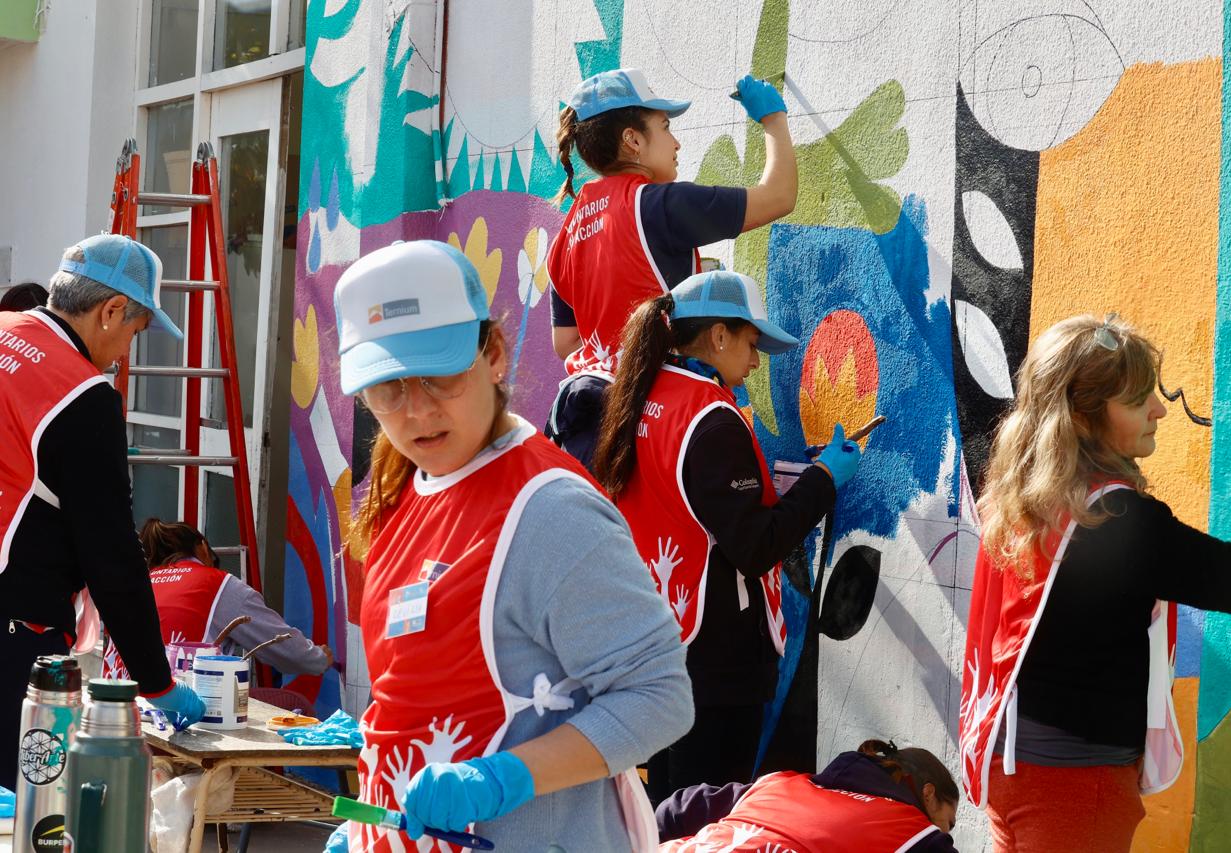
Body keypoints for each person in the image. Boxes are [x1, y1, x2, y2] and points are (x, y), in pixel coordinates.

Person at [322, 240, 693, 853]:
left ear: (492, 353)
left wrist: (502, 779)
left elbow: (659, 697)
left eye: (439, 374)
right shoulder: (408, 489)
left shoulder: (550, 510)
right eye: (388, 386)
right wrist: (367, 822)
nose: (416, 411)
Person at [959, 313, 1231, 853]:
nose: (1159, 409)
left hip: (1013, 766)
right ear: (1083, 419)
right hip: (1075, 787)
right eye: (1136, 401)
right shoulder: (1117, 519)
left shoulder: (1029, 497)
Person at [593, 270, 864, 805]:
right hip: (717, 663)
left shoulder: (647, 394)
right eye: (751, 342)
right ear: (718, 336)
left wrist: (784, 485)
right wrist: (824, 479)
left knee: (667, 818)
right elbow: (755, 546)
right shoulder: (712, 419)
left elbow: (693, 507)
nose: (757, 361)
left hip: (661, 641)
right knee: (708, 823)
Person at [0, 235, 205, 787]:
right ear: (111, 310)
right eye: (134, 333)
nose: (124, 355)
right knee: (31, 814)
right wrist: (155, 681)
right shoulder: (83, 396)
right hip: (18, 634)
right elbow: (112, 557)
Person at [545, 67, 798, 469]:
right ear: (633, 140)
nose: (676, 142)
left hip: (593, 423)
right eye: (665, 126)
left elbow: (566, 344)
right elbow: (779, 195)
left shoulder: (566, 234)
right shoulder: (657, 205)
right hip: (657, 419)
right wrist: (774, 119)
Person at [101, 519, 332, 678]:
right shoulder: (216, 584)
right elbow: (285, 650)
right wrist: (319, 658)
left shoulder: (142, 582)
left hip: (119, 708)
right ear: (202, 547)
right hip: (174, 706)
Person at [656, 738, 960, 852]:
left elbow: (679, 806)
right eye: (947, 822)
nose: (945, 832)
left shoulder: (780, 784)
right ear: (928, 794)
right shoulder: (914, 834)